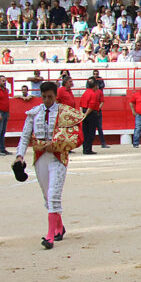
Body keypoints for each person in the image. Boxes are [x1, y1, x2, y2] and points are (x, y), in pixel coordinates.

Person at [14, 81, 86, 249]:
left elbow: (77, 137)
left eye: (50, 97)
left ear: (55, 96)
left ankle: (50, 236)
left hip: (57, 157)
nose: (47, 100)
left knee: (53, 195)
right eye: (44, 97)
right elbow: (25, 137)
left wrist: (57, 144)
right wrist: (19, 156)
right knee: (47, 196)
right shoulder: (34, 113)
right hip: (40, 158)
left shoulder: (65, 113)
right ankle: (59, 228)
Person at [79, 78, 106, 153]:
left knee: (85, 132)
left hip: (84, 112)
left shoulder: (85, 93)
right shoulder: (93, 94)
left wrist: (82, 114)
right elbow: (91, 106)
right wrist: (86, 114)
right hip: (91, 114)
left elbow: (81, 104)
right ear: (95, 86)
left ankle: (85, 148)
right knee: (91, 132)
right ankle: (88, 149)